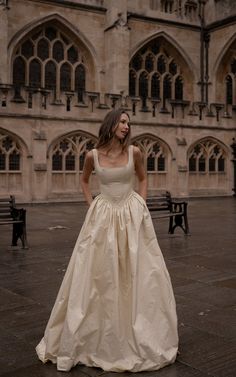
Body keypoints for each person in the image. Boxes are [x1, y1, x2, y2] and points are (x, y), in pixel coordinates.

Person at [36, 108, 178, 372]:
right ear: (112, 124)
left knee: (140, 271)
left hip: (131, 213)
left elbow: (143, 178)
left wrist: (141, 205)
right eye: (123, 121)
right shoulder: (92, 155)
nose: (127, 126)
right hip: (102, 217)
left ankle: (136, 333)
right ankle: (94, 337)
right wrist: (92, 205)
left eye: (128, 122)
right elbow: (84, 180)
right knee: (97, 274)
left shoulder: (134, 152)